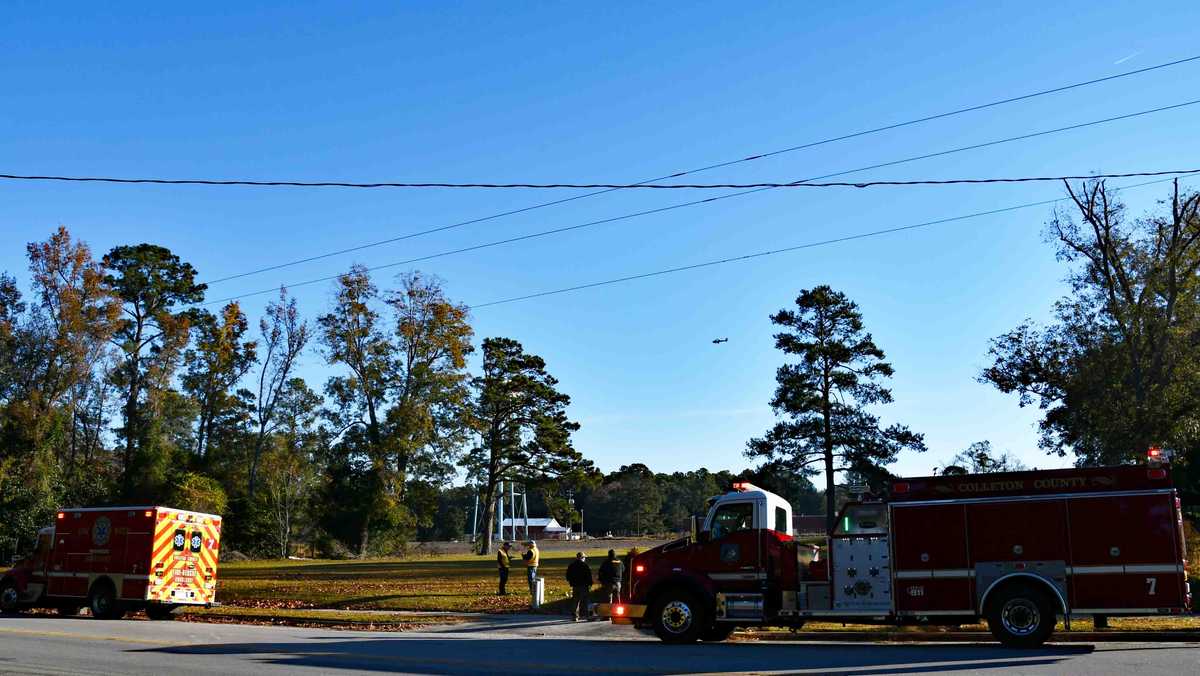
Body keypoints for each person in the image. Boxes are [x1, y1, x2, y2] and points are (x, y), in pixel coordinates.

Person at [565, 551, 593, 621]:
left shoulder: (572, 565)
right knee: (585, 601)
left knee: (575, 601)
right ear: (582, 558)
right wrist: (590, 583)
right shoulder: (585, 565)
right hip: (584, 586)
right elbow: (588, 576)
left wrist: (571, 582)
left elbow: (568, 576)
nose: (585, 559)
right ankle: (587, 616)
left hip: (575, 585)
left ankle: (575, 616)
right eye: (584, 558)